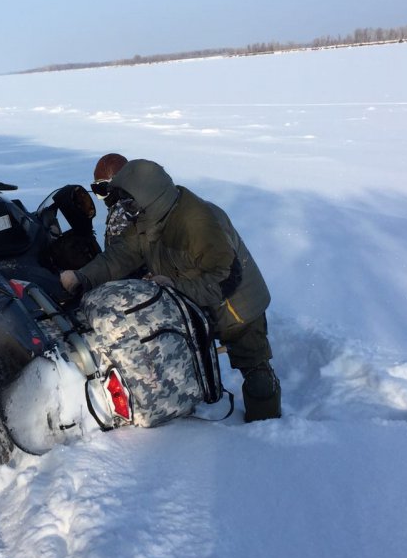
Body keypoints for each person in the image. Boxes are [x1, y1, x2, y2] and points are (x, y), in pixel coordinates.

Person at [61, 159, 281, 422]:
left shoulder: (198, 222)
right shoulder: (147, 219)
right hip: (193, 301)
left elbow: (226, 279)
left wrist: (175, 287)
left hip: (236, 307)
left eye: (129, 201)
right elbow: (119, 257)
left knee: (256, 373)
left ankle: (266, 431)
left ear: (147, 194)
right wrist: (81, 276)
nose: (125, 208)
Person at [89, 152, 130, 246]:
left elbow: (118, 258)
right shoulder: (141, 202)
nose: (100, 198)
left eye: (102, 189)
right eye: (95, 189)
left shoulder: (123, 215)